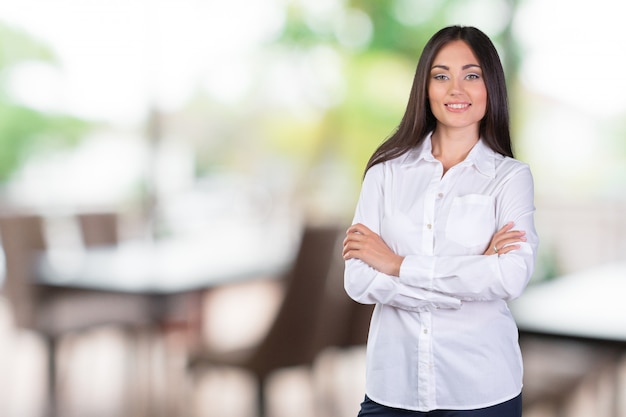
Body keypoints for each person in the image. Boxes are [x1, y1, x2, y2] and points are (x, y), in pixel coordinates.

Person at [342, 25, 538, 417]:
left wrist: (398, 266)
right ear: (425, 88)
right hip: (393, 388)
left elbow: (511, 277)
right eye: (441, 76)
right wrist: (467, 280)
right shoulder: (385, 173)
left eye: (471, 75)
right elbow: (358, 279)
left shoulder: (510, 178)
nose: (456, 89)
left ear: (490, 87)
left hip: (482, 390)